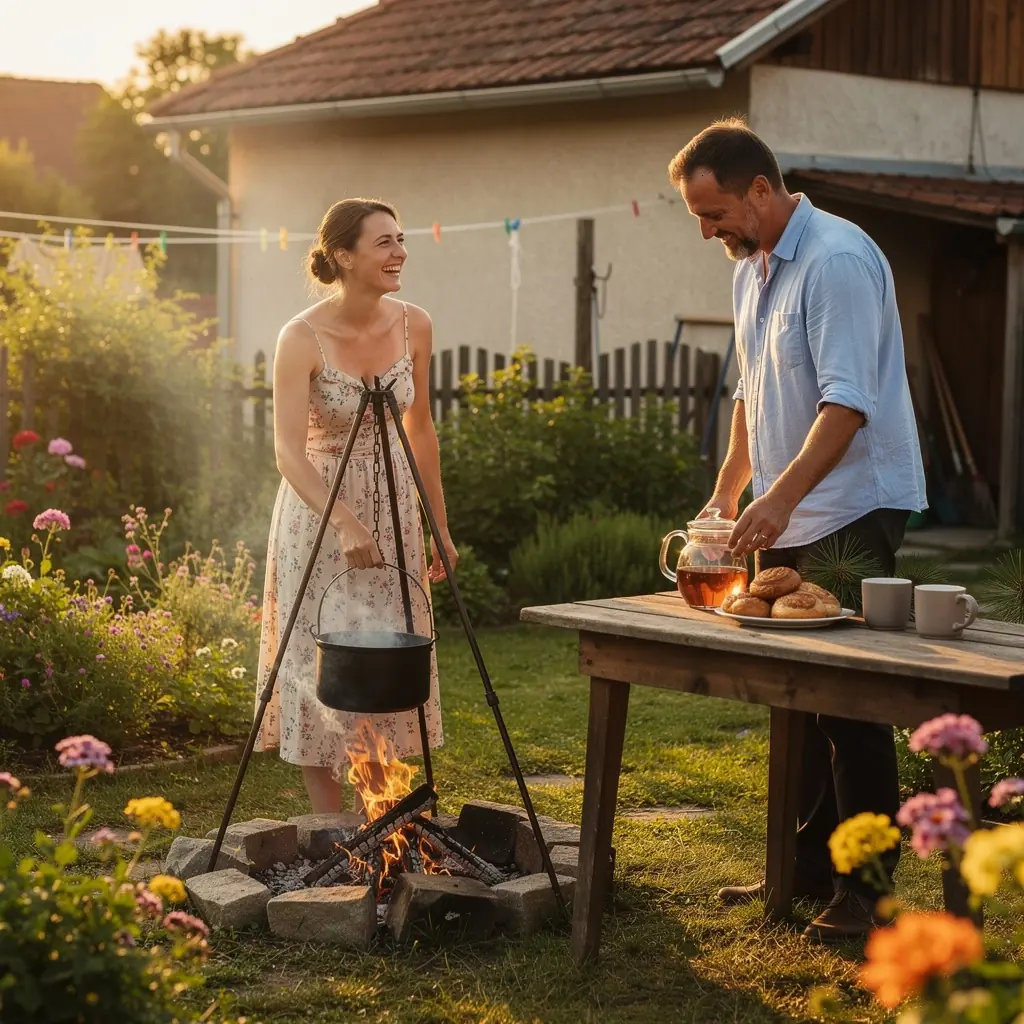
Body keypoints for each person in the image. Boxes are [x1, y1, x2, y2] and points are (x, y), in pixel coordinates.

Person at [668, 119, 926, 941]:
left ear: (761, 189)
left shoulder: (838, 260)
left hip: (854, 505)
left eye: (715, 214)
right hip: (785, 504)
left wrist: (776, 501)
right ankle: (804, 870)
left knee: (849, 704)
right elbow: (750, 392)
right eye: (698, 220)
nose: (709, 232)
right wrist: (729, 490)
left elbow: (846, 406)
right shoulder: (753, 269)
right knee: (797, 698)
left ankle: (870, 893)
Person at [255, 197, 458, 816]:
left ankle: (383, 819)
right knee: (324, 656)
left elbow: (420, 429)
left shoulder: (415, 324)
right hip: (318, 513)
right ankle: (331, 826)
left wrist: (438, 527)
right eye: (384, 243)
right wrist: (343, 519)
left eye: (401, 240)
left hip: (396, 504)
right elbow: (287, 453)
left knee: (388, 654)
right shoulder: (300, 336)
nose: (399, 252)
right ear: (343, 255)